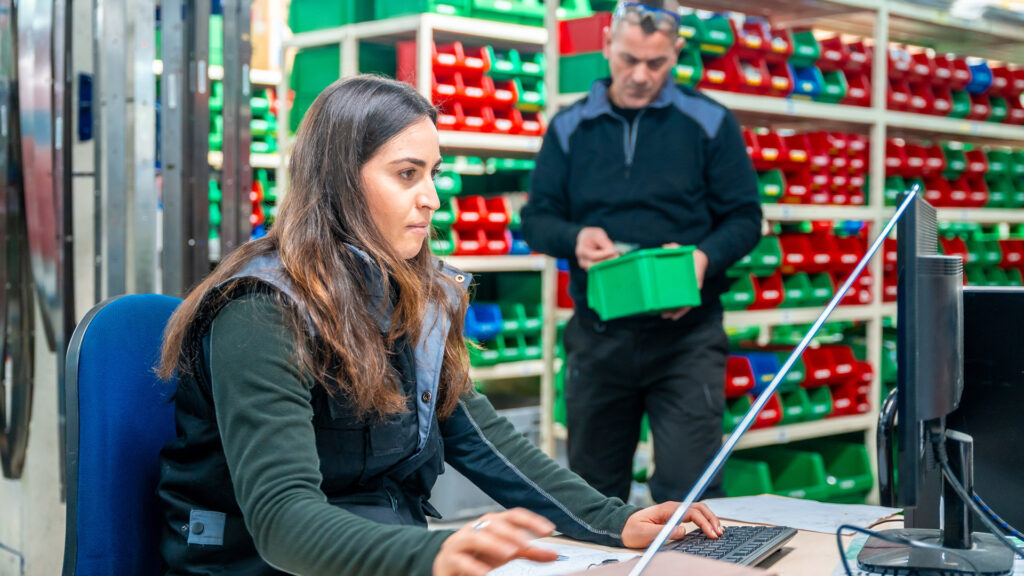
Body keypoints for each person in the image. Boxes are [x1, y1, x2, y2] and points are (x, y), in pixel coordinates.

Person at [156, 74, 721, 576]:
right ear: (339, 182)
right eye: (407, 174)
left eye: (433, 174)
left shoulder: (409, 295)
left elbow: (480, 438)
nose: (431, 200)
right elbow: (283, 521)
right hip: (255, 563)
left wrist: (615, 521)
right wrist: (434, 555)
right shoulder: (262, 310)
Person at [521, 0, 762, 505]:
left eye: (655, 63)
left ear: (675, 54)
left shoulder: (710, 122)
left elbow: (745, 219)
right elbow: (536, 221)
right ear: (608, 43)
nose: (639, 75)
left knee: (691, 495)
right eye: (628, 59)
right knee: (592, 495)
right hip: (599, 339)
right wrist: (575, 239)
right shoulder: (569, 127)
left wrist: (702, 259)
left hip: (687, 342)